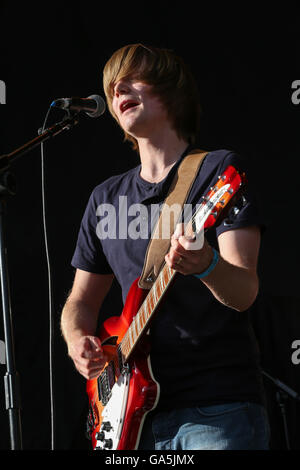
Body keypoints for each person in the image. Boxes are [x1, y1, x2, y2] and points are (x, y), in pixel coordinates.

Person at [60, 43, 270, 450]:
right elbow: (80, 302)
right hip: (126, 414)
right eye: (112, 86)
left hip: (215, 409)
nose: (118, 88)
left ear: (170, 90)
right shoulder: (105, 198)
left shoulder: (218, 172)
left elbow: (245, 292)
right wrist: (76, 340)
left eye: (131, 78)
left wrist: (206, 264)